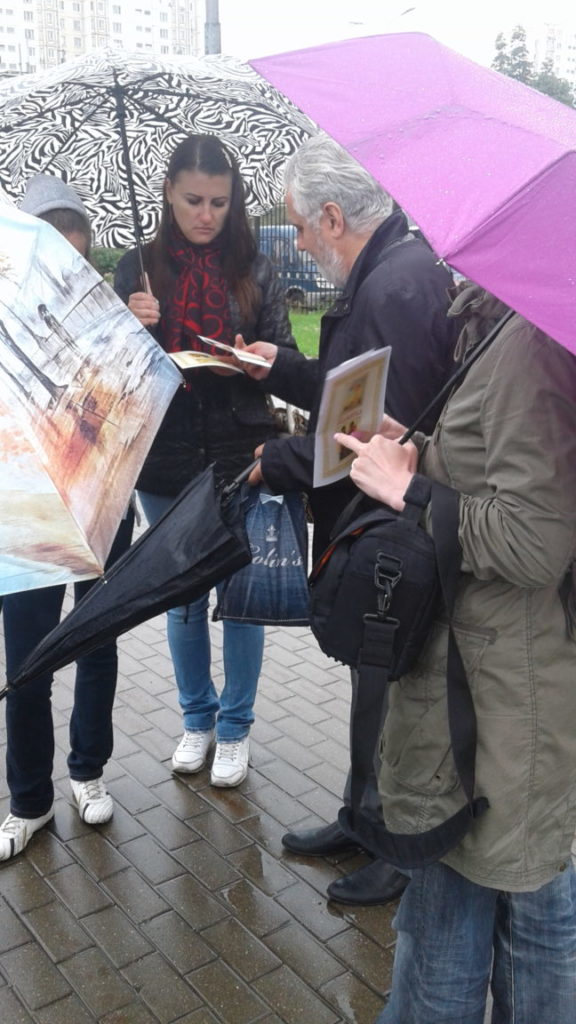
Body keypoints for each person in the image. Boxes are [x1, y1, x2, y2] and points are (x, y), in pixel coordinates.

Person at [334, 283, 576, 1024]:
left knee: (480, 915)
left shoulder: (529, 344)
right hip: (494, 681)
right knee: (509, 894)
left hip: (498, 692)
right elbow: (497, 467)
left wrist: (410, 492)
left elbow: (535, 542)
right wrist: (424, 455)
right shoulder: (504, 323)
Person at [237, 134, 457, 906]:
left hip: (391, 538)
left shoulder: (398, 286)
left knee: (394, 691)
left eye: (300, 227)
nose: (298, 243)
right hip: (370, 529)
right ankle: (361, 818)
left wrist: (280, 460)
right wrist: (280, 368)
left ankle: (395, 843)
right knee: (373, 682)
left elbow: (382, 435)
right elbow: (350, 394)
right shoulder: (387, 272)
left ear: (332, 217)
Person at [114, 134, 297, 788]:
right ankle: (197, 718)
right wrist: (132, 326)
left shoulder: (254, 268)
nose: (206, 214)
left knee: (241, 598)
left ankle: (236, 727)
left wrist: (255, 361)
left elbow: (284, 356)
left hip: (240, 452)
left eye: (219, 202)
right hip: (164, 456)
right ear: (168, 193)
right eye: (193, 200)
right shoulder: (138, 269)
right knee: (183, 600)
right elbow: (115, 375)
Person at [0, 174, 135, 861]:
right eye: (53, 253)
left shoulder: (111, 320)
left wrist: (141, 336)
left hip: (101, 503)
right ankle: (29, 799)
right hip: (27, 513)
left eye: (78, 256)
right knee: (26, 661)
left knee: (96, 641)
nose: (67, 269)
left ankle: (88, 770)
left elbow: (135, 410)